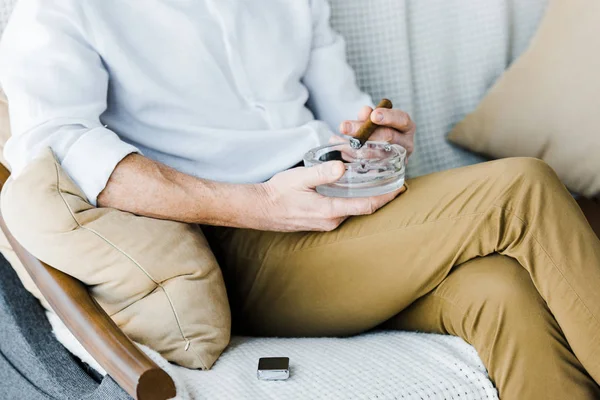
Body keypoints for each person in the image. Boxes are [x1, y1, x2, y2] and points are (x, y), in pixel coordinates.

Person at [1, 1, 599, 398]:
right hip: (239, 240)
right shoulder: (58, 8)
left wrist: (378, 136)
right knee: (523, 188)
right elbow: (54, 148)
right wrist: (258, 204)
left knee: (497, 288)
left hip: (337, 208)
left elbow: (346, 117)